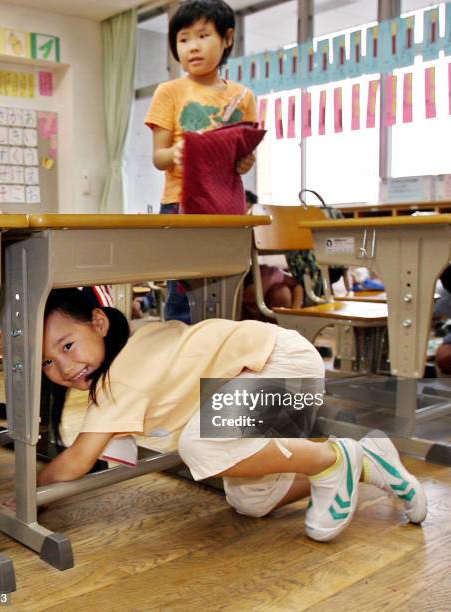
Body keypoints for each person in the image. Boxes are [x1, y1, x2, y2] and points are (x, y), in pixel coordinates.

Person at [37, 288, 427, 542]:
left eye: (68, 345)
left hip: (283, 365)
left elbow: (78, 461)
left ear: (99, 323)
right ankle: (365, 461)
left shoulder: (121, 377)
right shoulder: (130, 349)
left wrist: (27, 495)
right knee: (252, 501)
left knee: (202, 446)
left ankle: (332, 460)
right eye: (48, 362)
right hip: (265, 379)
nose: (64, 367)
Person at [145, 0, 258, 324]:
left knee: (225, 290)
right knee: (182, 294)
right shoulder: (169, 91)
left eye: (203, 35)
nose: (192, 47)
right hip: (181, 205)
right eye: (183, 39)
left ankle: (218, 363)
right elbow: (158, 157)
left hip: (227, 208)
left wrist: (244, 162)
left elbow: (242, 157)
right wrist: (177, 153)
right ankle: (181, 365)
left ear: (227, 38)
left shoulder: (242, 97)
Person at [242, 191, 304, 320]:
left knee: (282, 292)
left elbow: (297, 285)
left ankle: (283, 324)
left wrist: (295, 311)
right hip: (245, 311)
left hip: (268, 307)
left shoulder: (269, 274)